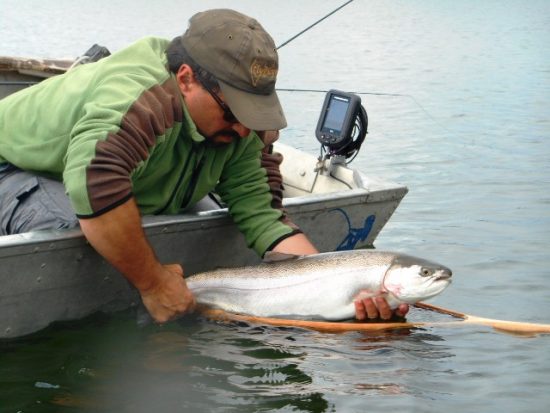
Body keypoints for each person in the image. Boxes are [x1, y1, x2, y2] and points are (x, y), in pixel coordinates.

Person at [0, 9, 407, 323]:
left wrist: (339, 292)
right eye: (233, 111)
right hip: (20, 168)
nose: (244, 127)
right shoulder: (137, 99)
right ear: (186, 78)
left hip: (129, 185)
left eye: (255, 112)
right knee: (73, 233)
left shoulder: (241, 127)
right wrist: (154, 282)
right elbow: (95, 185)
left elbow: (264, 215)